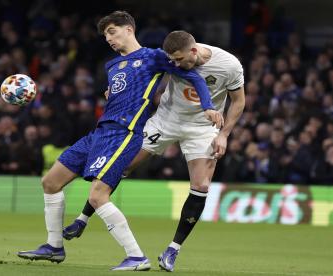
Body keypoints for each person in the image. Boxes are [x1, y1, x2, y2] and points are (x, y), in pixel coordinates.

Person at [17, 12, 222, 271]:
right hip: (99, 132)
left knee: (98, 195)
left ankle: (136, 257)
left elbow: (192, 76)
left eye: (112, 32)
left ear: (129, 29)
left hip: (124, 134)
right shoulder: (112, 65)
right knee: (50, 182)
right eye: (105, 36)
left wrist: (207, 106)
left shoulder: (154, 57)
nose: (109, 39)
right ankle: (54, 246)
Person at [63, 30, 245, 272]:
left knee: (201, 186)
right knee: (123, 163)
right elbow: (141, 74)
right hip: (165, 121)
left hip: (202, 128)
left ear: (194, 50)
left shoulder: (229, 65)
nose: (176, 65)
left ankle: (173, 250)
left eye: (180, 60)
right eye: (173, 61)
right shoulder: (169, 58)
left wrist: (223, 135)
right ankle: (82, 219)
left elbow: (239, 101)